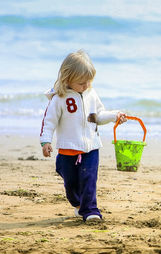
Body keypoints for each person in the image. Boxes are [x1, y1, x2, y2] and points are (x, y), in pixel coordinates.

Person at [40, 50, 126, 222]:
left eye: (89, 81)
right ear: (67, 79)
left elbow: (98, 116)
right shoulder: (59, 99)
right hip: (67, 149)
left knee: (89, 178)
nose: (86, 85)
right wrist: (45, 141)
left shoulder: (91, 94)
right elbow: (49, 122)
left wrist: (114, 116)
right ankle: (78, 204)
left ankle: (90, 210)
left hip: (91, 146)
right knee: (71, 184)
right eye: (81, 82)